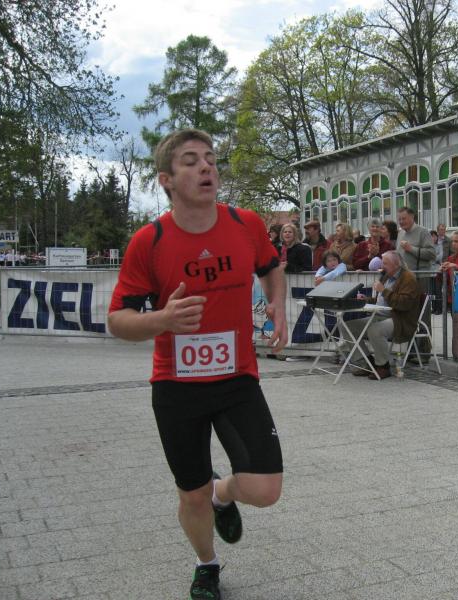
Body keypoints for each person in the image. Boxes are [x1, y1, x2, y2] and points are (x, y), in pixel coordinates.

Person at [106, 129, 286, 600]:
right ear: (166, 180)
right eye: (190, 160)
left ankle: (223, 494)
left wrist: (278, 305)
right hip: (177, 387)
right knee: (191, 493)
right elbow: (118, 320)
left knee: (265, 489)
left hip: (237, 379)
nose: (206, 166)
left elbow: (271, 267)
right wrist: (161, 320)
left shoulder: (245, 224)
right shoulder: (150, 241)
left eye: (210, 158)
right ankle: (207, 565)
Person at [342, 250, 420, 380]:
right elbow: (382, 301)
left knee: (375, 330)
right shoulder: (387, 276)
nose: (382, 266)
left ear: (396, 264)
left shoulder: (408, 278)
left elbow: (404, 303)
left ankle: (383, 366)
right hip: (380, 315)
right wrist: (366, 299)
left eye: (385, 263)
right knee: (347, 326)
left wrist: (383, 290)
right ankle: (366, 363)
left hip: (400, 319)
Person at [396, 206, 436, 356]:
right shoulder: (400, 233)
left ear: (412, 217)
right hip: (404, 280)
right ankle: (411, 351)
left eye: (404, 218)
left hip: (420, 279)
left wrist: (411, 248)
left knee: (422, 315)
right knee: (408, 315)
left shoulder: (423, 232)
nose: (401, 222)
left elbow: (431, 254)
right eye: (399, 219)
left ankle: (424, 352)